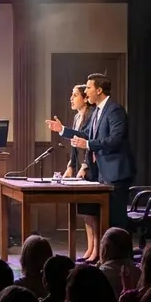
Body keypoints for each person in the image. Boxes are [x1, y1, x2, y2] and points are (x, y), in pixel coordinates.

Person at [47, 73, 136, 230]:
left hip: (116, 172)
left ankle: (121, 254)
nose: (86, 91)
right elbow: (87, 135)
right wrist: (62, 130)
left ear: (99, 90)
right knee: (106, 220)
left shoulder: (114, 110)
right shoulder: (97, 111)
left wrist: (88, 144)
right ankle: (106, 253)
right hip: (104, 173)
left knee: (116, 221)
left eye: (88, 88)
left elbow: (115, 139)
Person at [59, 85, 99, 262]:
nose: (71, 98)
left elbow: (88, 140)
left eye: (75, 95)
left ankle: (97, 249)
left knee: (93, 212)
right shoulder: (76, 117)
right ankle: (90, 248)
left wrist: (85, 166)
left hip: (92, 168)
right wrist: (71, 166)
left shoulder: (92, 115)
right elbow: (74, 146)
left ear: (84, 97)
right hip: (80, 169)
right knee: (85, 213)